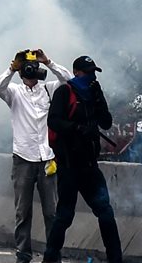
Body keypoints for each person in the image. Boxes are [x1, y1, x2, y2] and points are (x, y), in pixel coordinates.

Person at [41, 56, 122, 263]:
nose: (91, 76)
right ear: (76, 72)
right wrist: (77, 128)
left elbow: (106, 123)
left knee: (105, 212)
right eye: (88, 72)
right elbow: (54, 121)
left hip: (89, 166)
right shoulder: (64, 92)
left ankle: (115, 259)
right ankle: (50, 258)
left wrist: (99, 98)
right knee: (64, 216)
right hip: (69, 166)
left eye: (94, 72)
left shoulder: (93, 94)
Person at [0, 49, 71, 263]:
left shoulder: (48, 89)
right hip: (23, 158)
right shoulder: (14, 92)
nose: (30, 70)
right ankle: (23, 254)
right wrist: (11, 68)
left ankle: (52, 255)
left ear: (39, 70)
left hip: (47, 158)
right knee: (22, 211)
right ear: (20, 71)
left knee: (52, 212)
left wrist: (48, 61)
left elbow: (68, 80)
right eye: (26, 67)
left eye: (33, 67)